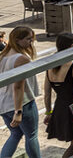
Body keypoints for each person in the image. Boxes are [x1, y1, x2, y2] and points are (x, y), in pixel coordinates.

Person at [0, 27, 41, 158]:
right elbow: (18, 86)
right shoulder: (21, 59)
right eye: (28, 39)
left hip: (4, 104)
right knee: (32, 135)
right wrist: (18, 112)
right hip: (22, 104)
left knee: (16, 134)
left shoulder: (2, 56)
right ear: (18, 40)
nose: (31, 42)